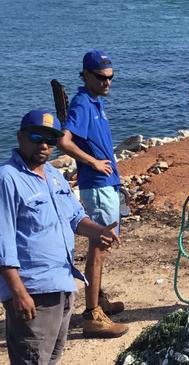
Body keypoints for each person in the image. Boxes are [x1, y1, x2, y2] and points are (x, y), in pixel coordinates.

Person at [0, 110, 122, 364]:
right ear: (21, 137)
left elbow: (75, 218)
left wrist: (99, 231)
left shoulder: (55, 176)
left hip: (63, 285)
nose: (44, 145)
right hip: (33, 290)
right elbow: (3, 239)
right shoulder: (7, 179)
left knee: (51, 358)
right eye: (36, 137)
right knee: (32, 359)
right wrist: (18, 291)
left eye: (51, 140)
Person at [57, 50, 128, 338]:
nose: (107, 83)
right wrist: (92, 162)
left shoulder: (96, 102)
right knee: (100, 244)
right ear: (86, 75)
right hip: (97, 186)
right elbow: (63, 140)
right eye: (101, 78)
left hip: (106, 184)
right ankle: (92, 315)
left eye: (110, 78)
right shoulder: (83, 103)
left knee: (105, 245)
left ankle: (97, 299)